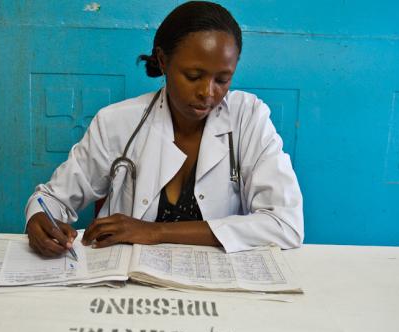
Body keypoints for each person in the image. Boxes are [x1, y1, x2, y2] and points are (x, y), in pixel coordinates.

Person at [25, 1, 304, 257]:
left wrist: (154, 232)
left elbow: (285, 224)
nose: (208, 92)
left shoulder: (249, 118)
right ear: (162, 60)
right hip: (129, 284)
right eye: (193, 76)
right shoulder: (117, 122)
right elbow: (51, 198)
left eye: (222, 79)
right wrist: (39, 220)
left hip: (216, 284)